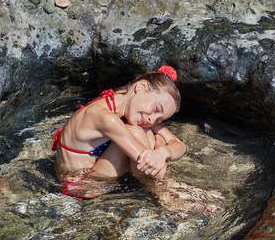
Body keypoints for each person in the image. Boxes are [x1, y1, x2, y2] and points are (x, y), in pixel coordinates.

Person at [52, 66, 187, 199]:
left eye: (159, 120)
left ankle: (169, 193)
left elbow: (180, 146)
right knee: (136, 132)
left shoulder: (119, 104)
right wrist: (160, 145)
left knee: (145, 131)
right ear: (141, 87)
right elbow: (155, 170)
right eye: (156, 108)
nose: (152, 119)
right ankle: (169, 198)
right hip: (83, 187)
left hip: (93, 174)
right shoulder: (106, 118)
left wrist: (163, 152)